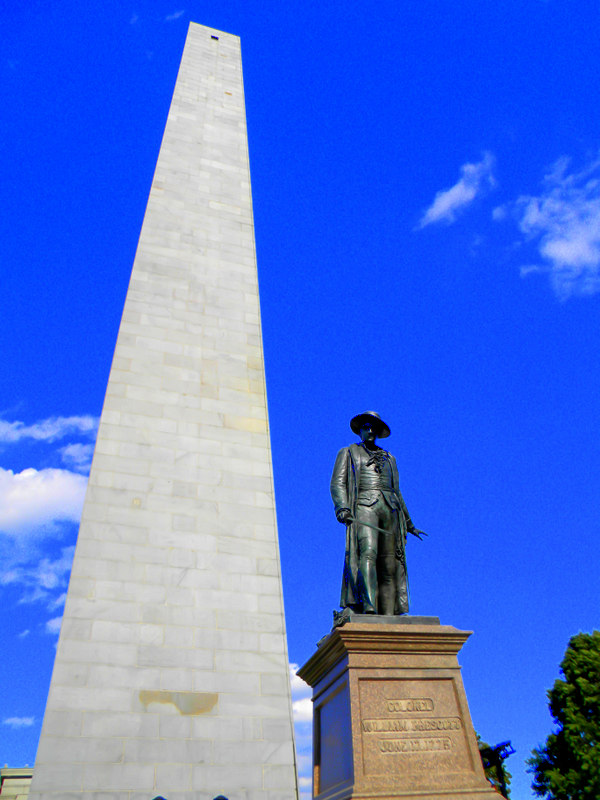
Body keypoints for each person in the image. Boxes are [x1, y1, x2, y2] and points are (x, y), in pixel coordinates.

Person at [330, 411, 424, 615]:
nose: (370, 430)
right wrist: (343, 508)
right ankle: (369, 606)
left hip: (390, 509)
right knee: (368, 553)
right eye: (366, 426)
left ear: (379, 432)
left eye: (374, 427)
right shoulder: (348, 453)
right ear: (360, 431)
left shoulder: (390, 458)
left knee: (390, 563)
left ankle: (389, 613)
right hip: (364, 507)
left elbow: (397, 491)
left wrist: (408, 522)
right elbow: (337, 483)